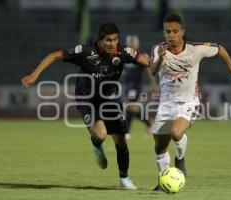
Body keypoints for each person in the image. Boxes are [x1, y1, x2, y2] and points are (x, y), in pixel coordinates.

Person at [21, 22, 149, 189]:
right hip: (86, 98)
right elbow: (54, 55)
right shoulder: (85, 52)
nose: (112, 43)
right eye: (108, 40)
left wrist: (162, 60)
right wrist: (33, 75)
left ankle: (124, 179)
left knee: (120, 141)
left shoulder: (123, 52)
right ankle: (96, 144)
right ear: (100, 40)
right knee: (101, 134)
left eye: (115, 40)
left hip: (109, 98)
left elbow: (146, 60)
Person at [150, 14, 231, 190]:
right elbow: (153, 71)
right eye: (168, 31)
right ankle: (163, 179)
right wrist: (160, 58)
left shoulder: (195, 49)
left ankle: (180, 159)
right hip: (166, 104)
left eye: (175, 31)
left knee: (176, 133)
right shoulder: (158, 49)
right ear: (164, 33)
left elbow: (219, 49)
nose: (171, 35)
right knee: (159, 147)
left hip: (188, 102)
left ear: (182, 31)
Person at [122, 35, 159, 138]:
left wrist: (153, 83)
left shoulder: (141, 55)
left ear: (137, 43)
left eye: (133, 42)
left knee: (130, 105)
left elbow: (149, 69)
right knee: (132, 108)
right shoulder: (124, 54)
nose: (132, 44)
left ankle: (127, 132)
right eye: (130, 42)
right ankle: (150, 124)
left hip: (135, 85)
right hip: (127, 85)